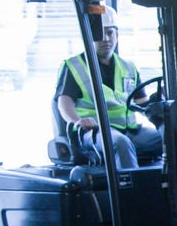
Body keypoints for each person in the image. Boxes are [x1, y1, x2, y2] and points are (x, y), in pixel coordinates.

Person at [53, 12, 161, 168]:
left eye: (110, 33)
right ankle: (130, 190)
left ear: (117, 34)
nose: (106, 39)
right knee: (121, 143)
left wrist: (159, 103)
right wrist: (78, 121)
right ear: (89, 36)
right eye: (100, 34)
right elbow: (64, 102)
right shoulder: (74, 66)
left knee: (169, 138)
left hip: (129, 130)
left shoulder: (128, 66)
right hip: (93, 131)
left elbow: (142, 103)